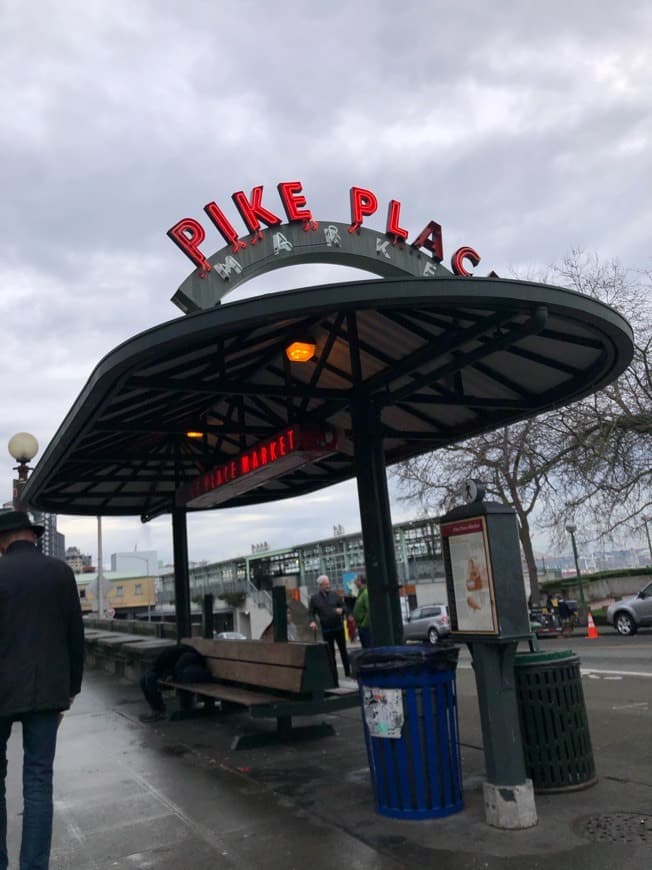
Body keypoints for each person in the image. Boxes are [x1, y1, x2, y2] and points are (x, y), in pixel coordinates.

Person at [0, 510, 84, 870]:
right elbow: (75, 637)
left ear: (3, 540)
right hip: (47, 689)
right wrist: (71, 689)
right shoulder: (60, 573)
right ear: (32, 536)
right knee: (38, 781)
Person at [139, 644, 212, 722]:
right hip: (173, 664)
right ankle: (157, 710)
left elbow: (179, 666)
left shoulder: (187, 656)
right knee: (145, 679)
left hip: (191, 664)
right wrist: (169, 674)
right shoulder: (163, 661)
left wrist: (172, 674)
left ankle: (159, 711)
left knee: (149, 679)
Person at [308, 575, 350, 683]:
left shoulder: (335, 595)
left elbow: (345, 607)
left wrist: (342, 610)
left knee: (343, 651)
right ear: (320, 585)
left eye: (328, 583)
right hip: (327, 630)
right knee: (330, 655)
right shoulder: (314, 598)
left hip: (338, 628)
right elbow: (311, 613)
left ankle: (348, 673)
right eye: (326, 584)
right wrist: (312, 621)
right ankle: (334, 678)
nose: (328, 586)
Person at [353, 575, 372, 648]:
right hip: (361, 626)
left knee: (368, 648)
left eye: (356, 580)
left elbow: (369, 610)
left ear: (360, 582)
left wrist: (364, 624)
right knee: (365, 648)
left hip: (365, 627)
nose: (354, 583)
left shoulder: (365, 593)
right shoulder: (361, 592)